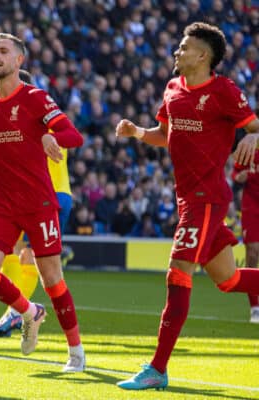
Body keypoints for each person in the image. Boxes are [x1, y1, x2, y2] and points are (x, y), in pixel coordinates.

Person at [115, 22, 259, 391]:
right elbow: (164, 136)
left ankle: (158, 368)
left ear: (202, 55)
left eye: (183, 47)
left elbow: (254, 125)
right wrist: (137, 133)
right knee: (228, 280)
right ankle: (158, 369)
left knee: (177, 272)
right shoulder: (173, 89)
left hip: (206, 198)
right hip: (187, 199)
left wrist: (254, 135)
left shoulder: (224, 91)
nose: (176, 52)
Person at [0, 33, 86, 372]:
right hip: (1, 202)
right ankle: (30, 311)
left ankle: (76, 353)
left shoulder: (36, 98)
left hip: (38, 202)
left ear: (19, 61)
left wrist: (48, 135)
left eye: (3, 51)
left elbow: (74, 136)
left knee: (52, 279)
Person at [0, 69, 75, 338]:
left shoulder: (38, 118)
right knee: (13, 251)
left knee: (29, 257)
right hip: (39, 195)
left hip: (46, 196)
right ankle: (18, 312)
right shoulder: (40, 119)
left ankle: (16, 315)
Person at [232, 149, 259, 323]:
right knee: (252, 252)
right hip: (252, 208)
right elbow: (235, 176)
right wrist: (238, 177)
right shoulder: (249, 151)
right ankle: (255, 308)